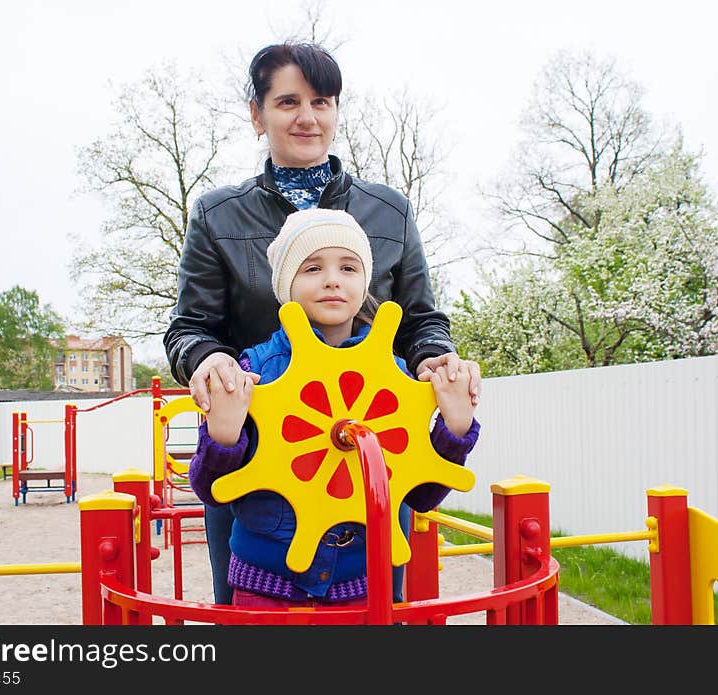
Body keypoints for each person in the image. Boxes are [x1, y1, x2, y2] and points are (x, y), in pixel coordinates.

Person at [163, 41, 481, 605]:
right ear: (257, 115)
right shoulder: (218, 216)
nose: (307, 117)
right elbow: (191, 325)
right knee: (251, 613)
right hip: (259, 468)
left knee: (375, 610)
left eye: (322, 101)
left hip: (368, 466)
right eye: (287, 102)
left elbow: (420, 318)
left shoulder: (388, 211)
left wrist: (435, 356)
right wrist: (210, 361)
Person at [187, 208, 480, 608]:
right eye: (311, 268)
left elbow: (423, 495)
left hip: (359, 586)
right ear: (284, 284)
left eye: (348, 267)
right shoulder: (252, 373)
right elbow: (210, 489)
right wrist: (223, 435)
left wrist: (456, 430)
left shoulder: (393, 376)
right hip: (266, 587)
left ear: (365, 282)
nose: (331, 280)